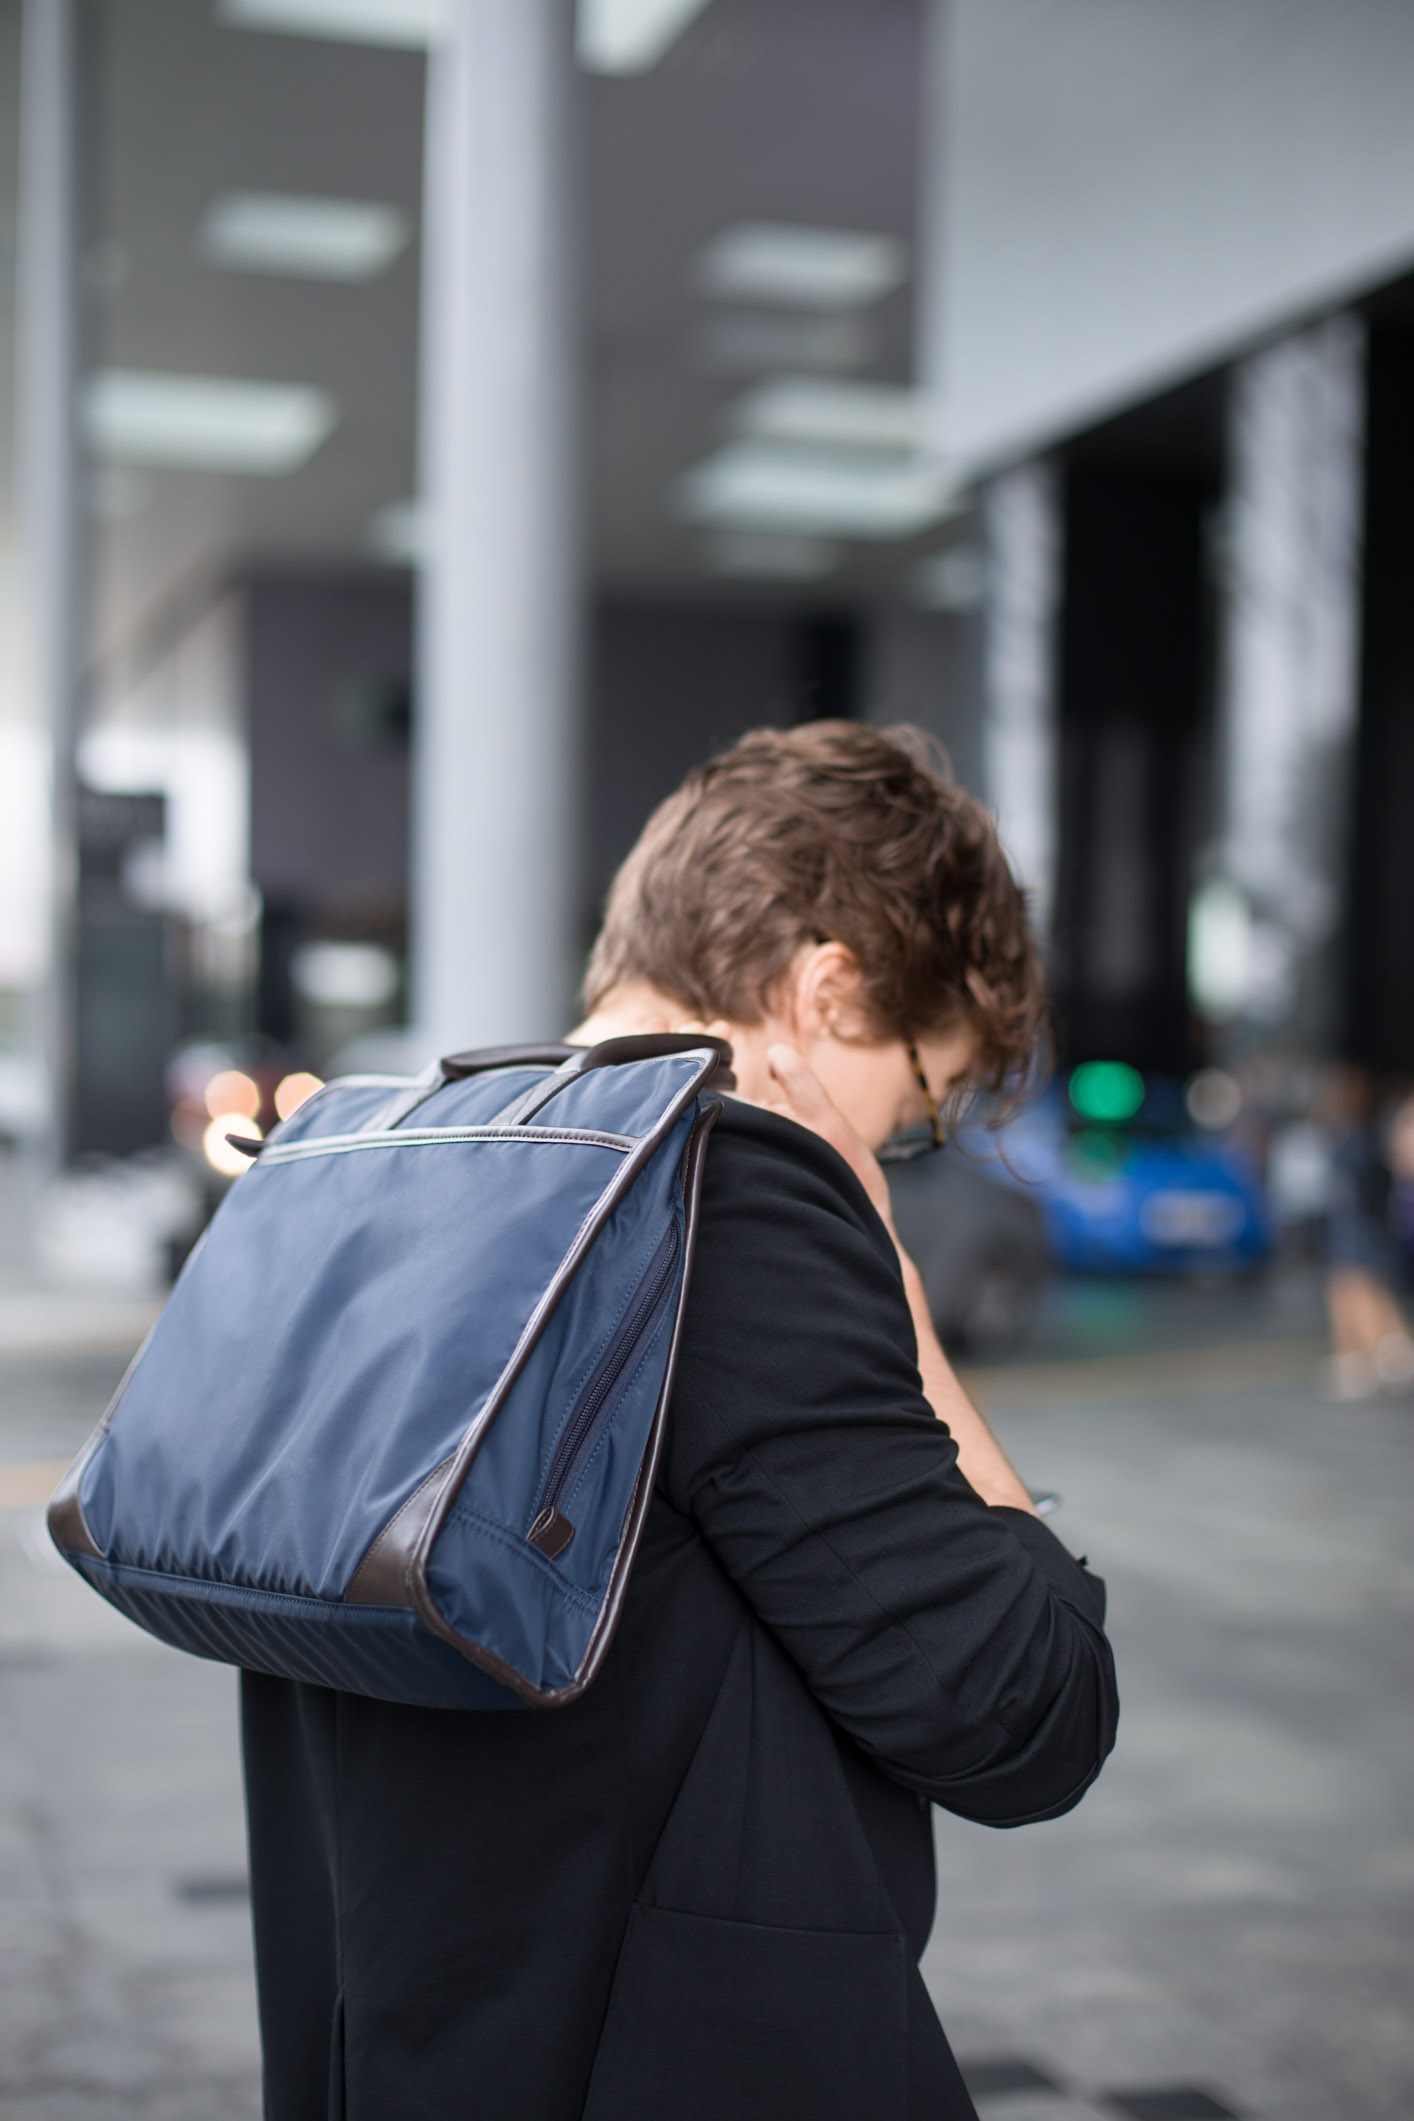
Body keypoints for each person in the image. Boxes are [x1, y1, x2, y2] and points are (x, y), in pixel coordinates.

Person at [241, 722, 1118, 2121]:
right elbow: (1021, 1712)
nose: (897, 1148)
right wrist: (895, 1299)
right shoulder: (722, 1198)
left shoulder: (393, 1165)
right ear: (828, 987)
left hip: (393, 2045)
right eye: (917, 1102)